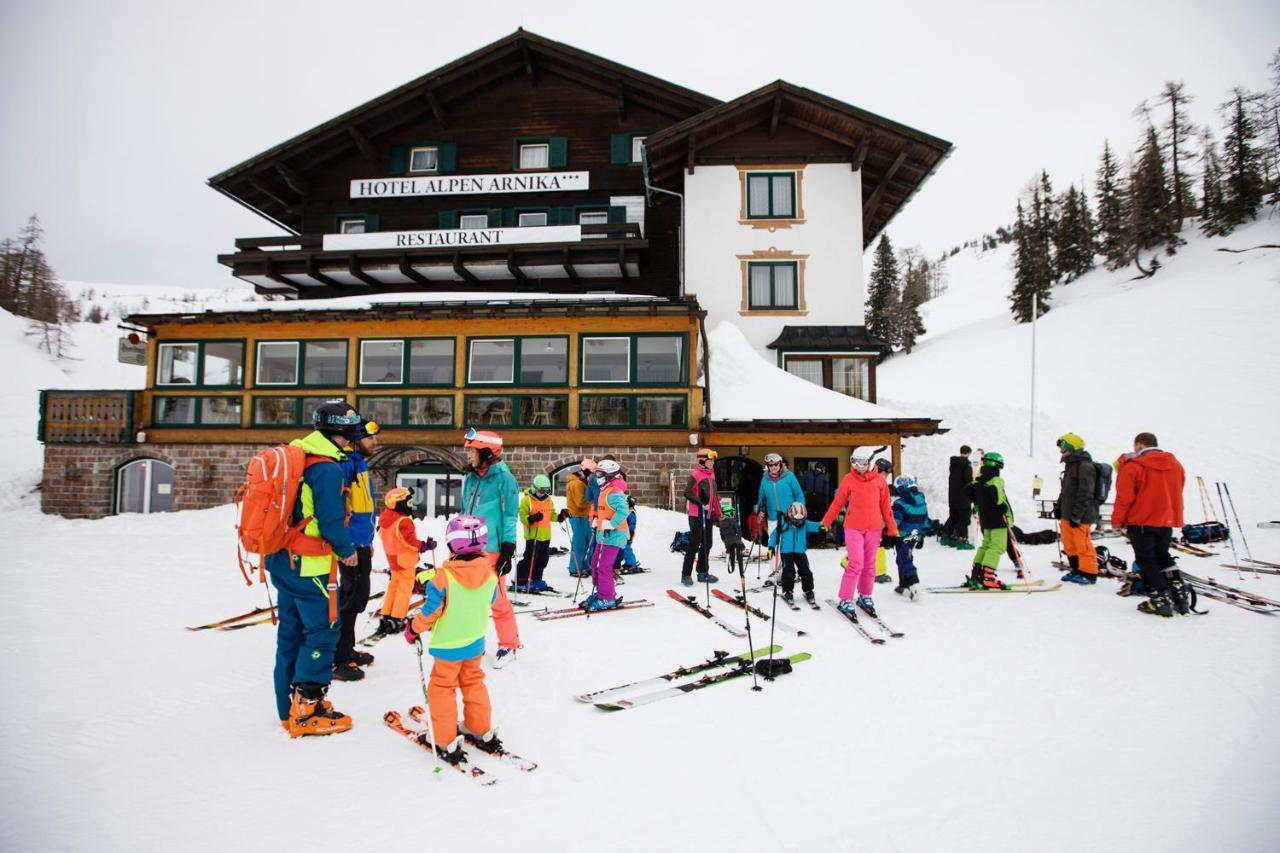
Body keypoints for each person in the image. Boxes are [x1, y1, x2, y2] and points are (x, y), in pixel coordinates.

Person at [266, 401, 361, 738]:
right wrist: (347, 550)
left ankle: (286, 709)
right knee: (322, 632)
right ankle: (307, 709)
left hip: (283, 561)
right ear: (344, 431)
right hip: (310, 567)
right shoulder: (326, 468)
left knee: (290, 634)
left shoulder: (299, 454)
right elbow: (330, 520)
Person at [403, 515, 501, 765]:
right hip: (475, 641)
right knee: (473, 682)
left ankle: (444, 738)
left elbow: (430, 612)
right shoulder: (490, 576)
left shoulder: (443, 578)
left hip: (448, 645)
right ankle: (479, 727)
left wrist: (413, 628)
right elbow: (488, 602)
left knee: (442, 688)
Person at [460, 429, 521, 665]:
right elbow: (465, 510)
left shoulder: (505, 479)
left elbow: (510, 515)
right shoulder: (471, 478)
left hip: (493, 547)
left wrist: (508, 545)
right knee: (468, 596)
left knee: (496, 597)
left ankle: (509, 644)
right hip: (468, 547)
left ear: (487, 452)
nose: (469, 456)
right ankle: (471, 642)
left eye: (473, 451)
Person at [1111, 432, 1188, 617]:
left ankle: (1161, 598)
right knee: (1163, 556)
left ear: (1139, 445)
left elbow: (1124, 497)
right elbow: (1178, 488)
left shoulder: (1134, 466)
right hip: (1165, 520)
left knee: (1146, 561)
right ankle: (1180, 595)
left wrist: (1117, 521)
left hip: (1142, 520)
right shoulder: (1175, 465)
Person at [822, 448, 899, 618]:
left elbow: (886, 508)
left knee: (870, 565)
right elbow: (837, 503)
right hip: (853, 527)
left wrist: (893, 529)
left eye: (862, 463)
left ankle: (865, 595)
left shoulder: (880, 482)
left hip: (874, 528)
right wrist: (825, 522)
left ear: (871, 462)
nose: (858, 466)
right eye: (854, 461)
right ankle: (845, 598)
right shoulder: (849, 479)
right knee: (856, 563)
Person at [333, 418, 380, 682]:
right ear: (355, 439)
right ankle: (338, 659)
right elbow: (339, 507)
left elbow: (361, 508)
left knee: (356, 598)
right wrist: (346, 544)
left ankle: (346, 649)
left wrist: (367, 538)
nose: (376, 442)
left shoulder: (358, 463)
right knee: (350, 600)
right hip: (349, 545)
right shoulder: (346, 464)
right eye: (371, 437)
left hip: (360, 542)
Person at [377, 486, 433, 633]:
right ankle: (397, 617)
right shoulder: (403, 521)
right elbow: (410, 541)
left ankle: (386, 614)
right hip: (405, 560)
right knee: (405, 589)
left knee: (394, 586)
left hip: (393, 559)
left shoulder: (386, 520)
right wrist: (424, 545)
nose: (411, 505)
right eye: (409, 502)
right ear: (400, 503)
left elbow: (384, 536)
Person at [583, 459, 629, 610]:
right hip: (603, 534)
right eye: (597, 473)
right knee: (595, 562)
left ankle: (607, 597)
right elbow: (604, 509)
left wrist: (611, 523)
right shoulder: (605, 489)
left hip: (613, 535)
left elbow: (623, 511)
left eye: (601, 474)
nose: (598, 477)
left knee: (604, 566)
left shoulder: (615, 491)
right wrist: (597, 518)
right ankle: (601, 592)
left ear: (610, 475)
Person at [1055, 432, 1100, 585]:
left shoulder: (1085, 466)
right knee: (1069, 543)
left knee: (1083, 544)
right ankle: (1076, 569)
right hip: (1068, 513)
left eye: (1063, 448)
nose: (1061, 451)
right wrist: (1059, 506)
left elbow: (1086, 493)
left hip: (1081, 515)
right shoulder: (1070, 466)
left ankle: (1089, 573)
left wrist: (1077, 514)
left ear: (1072, 447)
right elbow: (1066, 491)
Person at [966, 451, 1012, 589]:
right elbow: (998, 498)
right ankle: (988, 577)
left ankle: (977, 573)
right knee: (997, 546)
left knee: (986, 545)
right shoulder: (995, 480)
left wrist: (980, 502)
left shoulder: (979, 480)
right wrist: (1002, 508)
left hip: (985, 519)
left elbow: (967, 492)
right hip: (998, 519)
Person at [681, 448, 722, 586]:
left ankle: (702, 572)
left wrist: (720, 513)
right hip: (697, 514)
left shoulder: (712, 474)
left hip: (708, 514)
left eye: (713, 461)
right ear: (702, 460)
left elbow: (714, 496)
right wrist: (701, 503)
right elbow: (687, 492)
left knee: (707, 543)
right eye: (710, 460)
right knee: (694, 544)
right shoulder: (696, 474)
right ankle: (686, 574)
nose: (712, 463)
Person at [775, 502, 822, 607]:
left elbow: (814, 525)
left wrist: (822, 526)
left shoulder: (805, 524)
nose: (799, 522)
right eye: (796, 520)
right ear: (790, 516)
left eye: (801, 520)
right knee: (789, 572)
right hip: (786, 553)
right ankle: (787, 591)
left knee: (806, 571)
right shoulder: (784, 524)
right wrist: (770, 547)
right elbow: (775, 535)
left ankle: (808, 590)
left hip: (800, 552)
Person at [891, 475, 929, 599]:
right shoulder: (921, 501)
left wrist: (889, 532)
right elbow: (925, 520)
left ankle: (914, 584)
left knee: (904, 559)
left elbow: (895, 521)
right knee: (905, 556)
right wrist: (921, 536)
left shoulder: (900, 503)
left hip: (903, 536)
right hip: (915, 535)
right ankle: (903, 584)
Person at [514, 474, 554, 593]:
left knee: (542, 560)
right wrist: (532, 518)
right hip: (533, 536)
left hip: (545, 536)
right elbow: (523, 517)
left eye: (547, 491)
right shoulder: (527, 500)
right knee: (530, 559)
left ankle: (536, 579)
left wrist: (561, 516)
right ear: (535, 488)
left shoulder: (548, 500)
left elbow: (552, 515)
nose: (544, 493)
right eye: (542, 491)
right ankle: (521, 581)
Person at [560, 460, 595, 578]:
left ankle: (583, 565)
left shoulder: (582, 481)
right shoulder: (577, 483)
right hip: (577, 516)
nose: (593, 475)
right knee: (579, 543)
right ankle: (575, 568)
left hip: (583, 516)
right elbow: (580, 502)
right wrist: (593, 500)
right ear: (586, 471)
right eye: (592, 472)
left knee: (587, 542)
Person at [941, 445, 975, 548]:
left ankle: (945, 537)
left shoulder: (954, 464)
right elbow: (968, 481)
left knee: (953, 517)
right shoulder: (966, 465)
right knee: (963, 519)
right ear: (969, 453)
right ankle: (962, 541)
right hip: (963, 497)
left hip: (952, 497)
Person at [874, 458, 895, 584]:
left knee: (867, 545)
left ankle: (847, 561)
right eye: (886, 473)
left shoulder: (874, 481)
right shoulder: (877, 483)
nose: (887, 476)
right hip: (874, 520)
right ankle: (879, 572)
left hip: (872, 519)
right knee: (878, 545)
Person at [617, 496, 642, 572]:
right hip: (623, 533)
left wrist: (630, 536)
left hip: (628, 534)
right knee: (621, 549)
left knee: (627, 549)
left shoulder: (631, 512)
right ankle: (625, 562)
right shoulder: (626, 510)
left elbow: (632, 525)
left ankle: (632, 563)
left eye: (627, 503)